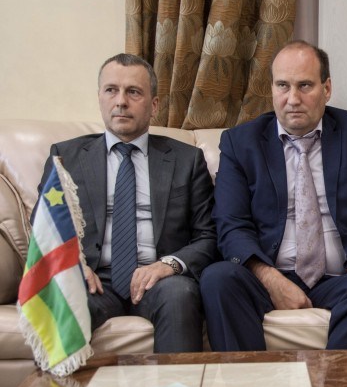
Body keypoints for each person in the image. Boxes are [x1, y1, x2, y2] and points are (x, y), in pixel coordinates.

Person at [200, 40, 347, 375]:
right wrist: (272, 280)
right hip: (267, 275)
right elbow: (230, 225)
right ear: (272, 89)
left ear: (327, 88)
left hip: (340, 276)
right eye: (283, 86)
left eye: (305, 86)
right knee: (218, 278)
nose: (293, 99)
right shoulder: (241, 142)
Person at [36, 53, 217, 352]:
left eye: (133, 92)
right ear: (99, 97)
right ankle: (57, 384)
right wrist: (72, 265)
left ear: (154, 105)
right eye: (111, 90)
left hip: (159, 279)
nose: (121, 101)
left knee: (180, 294)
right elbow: (43, 227)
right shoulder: (66, 157)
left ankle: (178, 385)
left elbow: (208, 235)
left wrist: (168, 265)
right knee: (64, 298)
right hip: (93, 278)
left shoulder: (187, 160)